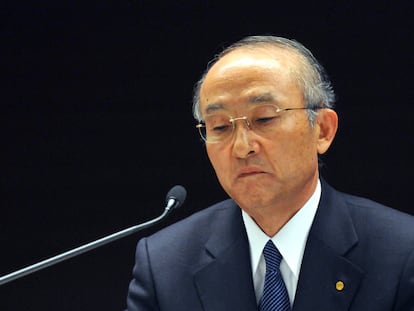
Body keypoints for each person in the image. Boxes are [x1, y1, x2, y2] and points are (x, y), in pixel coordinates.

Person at [125, 35, 414, 310]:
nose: (242, 147)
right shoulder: (164, 264)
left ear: (323, 130)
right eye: (220, 127)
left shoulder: (402, 253)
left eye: (264, 119)